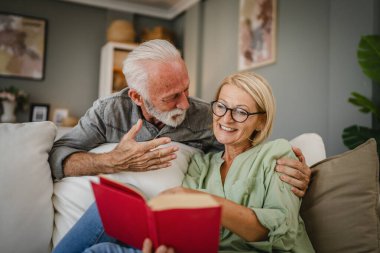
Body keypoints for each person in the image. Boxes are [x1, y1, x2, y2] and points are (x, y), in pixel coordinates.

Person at [54, 71, 314, 253]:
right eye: (221, 106)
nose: (227, 118)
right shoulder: (203, 165)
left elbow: (282, 233)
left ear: (261, 120)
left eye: (242, 112)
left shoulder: (277, 156)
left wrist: (206, 202)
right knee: (102, 242)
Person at [49, 39, 310, 197]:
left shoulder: (208, 115)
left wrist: (287, 168)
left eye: (186, 88)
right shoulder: (108, 112)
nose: (185, 103)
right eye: (171, 97)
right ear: (138, 97)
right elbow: (58, 156)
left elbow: (248, 149)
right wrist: (112, 161)